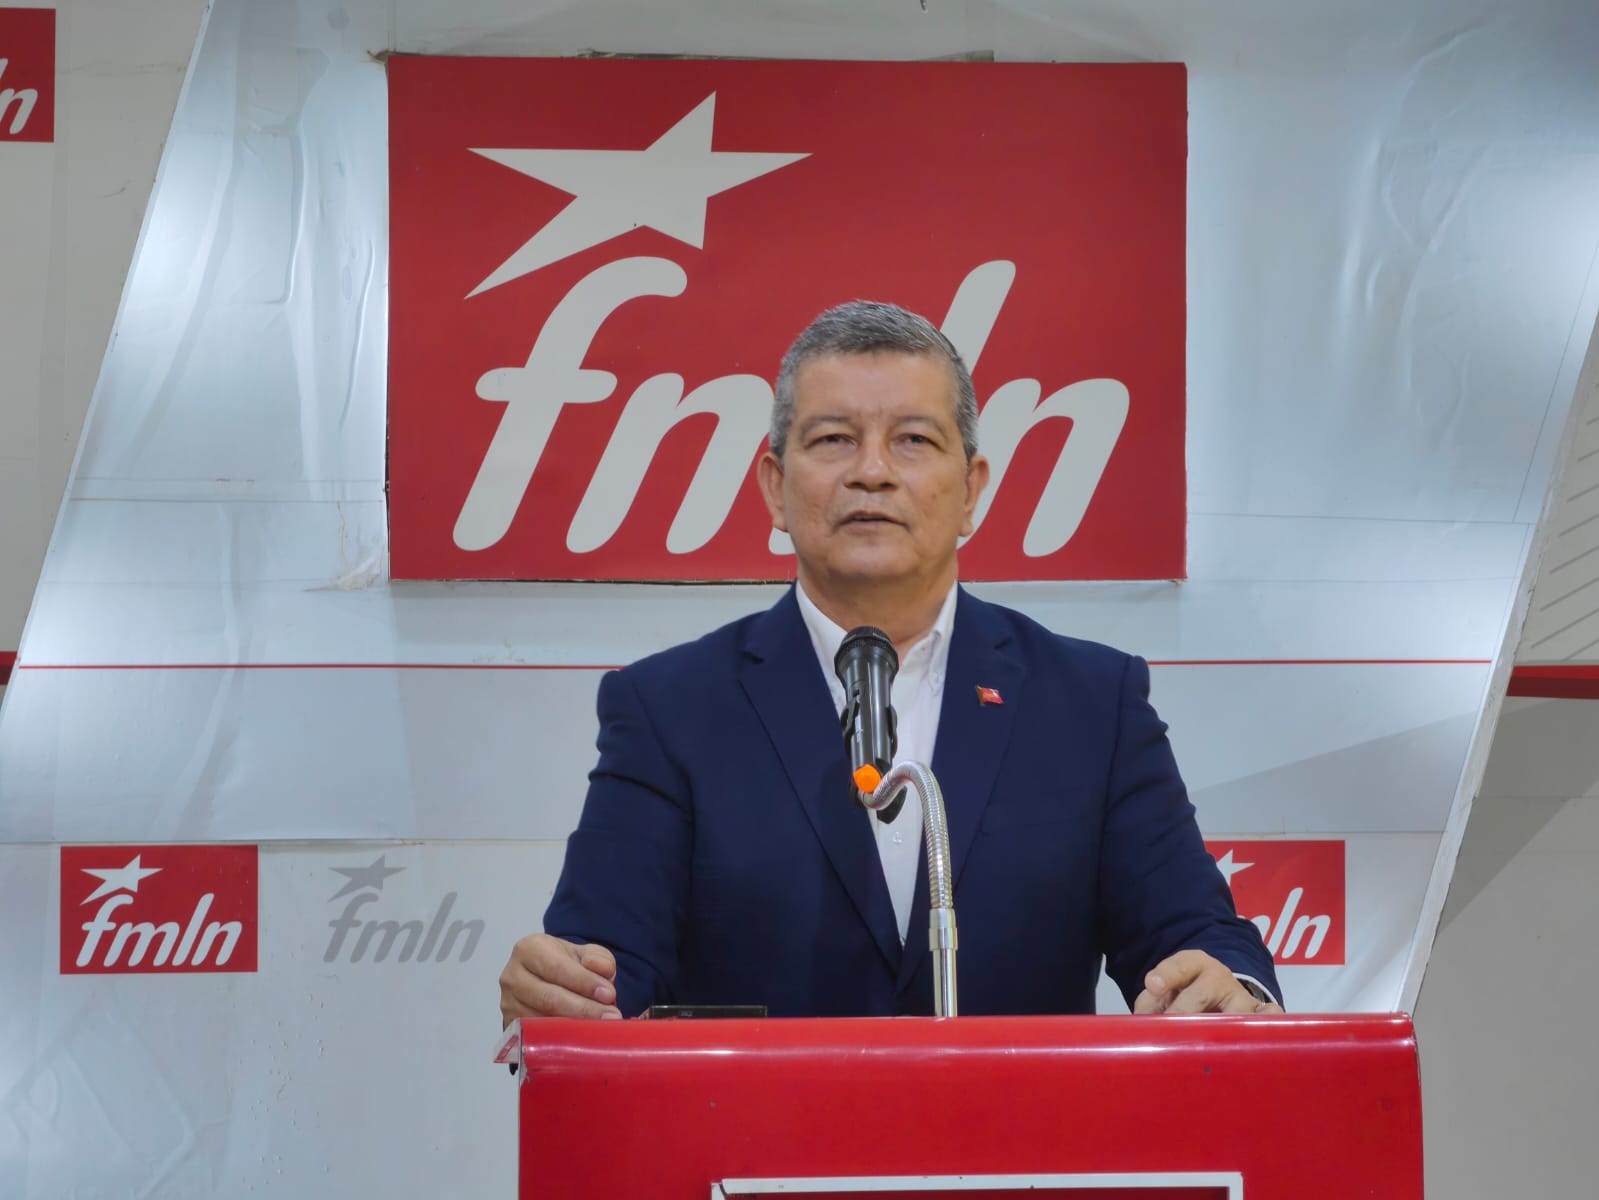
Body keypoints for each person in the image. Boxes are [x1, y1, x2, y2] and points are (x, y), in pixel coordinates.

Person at [499, 301, 1282, 1023]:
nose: (871, 471)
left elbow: (1192, 933)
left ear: (970, 489)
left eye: (912, 440)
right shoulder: (668, 708)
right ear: (774, 486)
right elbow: (603, 967)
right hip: (755, 1132)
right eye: (832, 440)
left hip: (1019, 1131)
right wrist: (562, 992)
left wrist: (1229, 988)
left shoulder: (1089, 702)